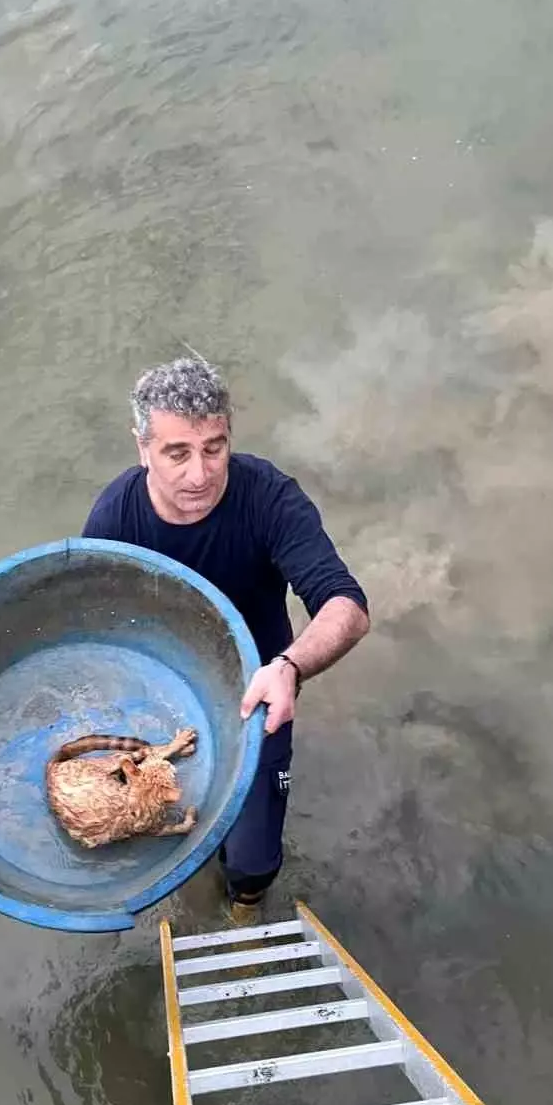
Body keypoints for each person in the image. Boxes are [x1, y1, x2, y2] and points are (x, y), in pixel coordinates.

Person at [83, 356, 369, 919]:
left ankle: (245, 908)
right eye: (177, 453)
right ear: (142, 448)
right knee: (159, 822)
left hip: (258, 691)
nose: (200, 474)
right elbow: (94, 628)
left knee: (253, 856)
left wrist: (290, 666)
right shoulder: (115, 521)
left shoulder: (268, 499)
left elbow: (346, 605)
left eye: (214, 448)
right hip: (162, 692)